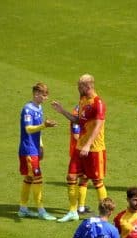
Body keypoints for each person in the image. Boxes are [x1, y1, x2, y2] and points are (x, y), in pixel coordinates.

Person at [52, 74, 109, 223]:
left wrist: (88, 145)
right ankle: (73, 211)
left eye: (80, 87)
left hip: (95, 149)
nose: (78, 89)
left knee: (97, 181)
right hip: (80, 147)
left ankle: (104, 215)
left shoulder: (98, 103)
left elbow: (98, 126)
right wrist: (62, 111)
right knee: (71, 177)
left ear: (88, 86)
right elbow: (79, 121)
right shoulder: (83, 100)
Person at [18, 82, 58, 220]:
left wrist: (41, 145)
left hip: (34, 148)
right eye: (44, 95)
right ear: (36, 94)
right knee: (37, 178)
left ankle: (23, 209)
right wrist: (44, 125)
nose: (45, 98)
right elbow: (28, 129)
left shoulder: (39, 107)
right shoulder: (27, 109)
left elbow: (38, 131)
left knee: (29, 178)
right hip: (28, 149)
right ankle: (41, 211)